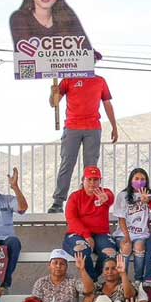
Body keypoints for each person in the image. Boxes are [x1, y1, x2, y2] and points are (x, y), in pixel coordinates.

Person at [47, 76, 117, 213]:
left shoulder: (100, 80)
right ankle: (58, 201)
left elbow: (107, 104)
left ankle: (87, 200)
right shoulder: (68, 80)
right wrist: (53, 92)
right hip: (72, 127)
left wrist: (114, 126)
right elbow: (54, 103)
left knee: (91, 167)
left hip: (93, 128)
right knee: (67, 163)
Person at [63, 166, 117, 282]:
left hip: (101, 235)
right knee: (82, 250)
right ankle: (93, 284)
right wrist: (87, 235)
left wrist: (105, 198)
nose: (92, 183)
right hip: (78, 234)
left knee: (110, 252)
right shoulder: (75, 196)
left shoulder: (104, 193)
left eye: (95, 179)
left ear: (100, 181)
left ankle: (93, 280)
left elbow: (110, 196)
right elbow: (71, 218)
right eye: (89, 179)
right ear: (83, 180)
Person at [113, 167, 151, 281]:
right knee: (126, 246)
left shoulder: (150, 195)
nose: (139, 181)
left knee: (139, 247)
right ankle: (123, 280)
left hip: (141, 234)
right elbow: (121, 219)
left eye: (143, 179)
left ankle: (138, 280)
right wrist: (127, 236)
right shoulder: (123, 195)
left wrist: (148, 202)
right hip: (124, 233)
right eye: (136, 178)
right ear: (131, 180)